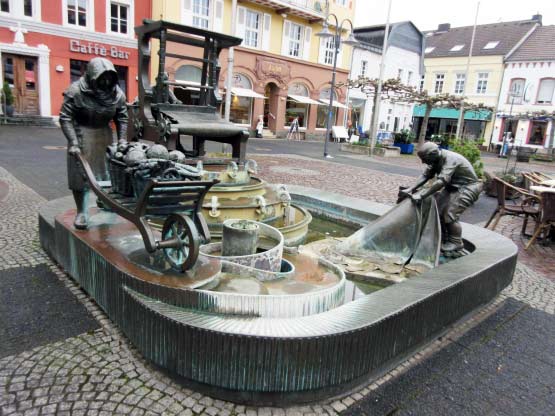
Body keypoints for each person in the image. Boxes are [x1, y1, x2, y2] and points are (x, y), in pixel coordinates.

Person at [59, 57, 128, 230]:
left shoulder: (117, 94)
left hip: (104, 135)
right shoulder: (75, 91)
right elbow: (65, 117)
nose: (105, 82)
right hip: (82, 134)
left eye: (109, 78)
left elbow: (122, 118)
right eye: (101, 78)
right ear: (91, 77)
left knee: (107, 173)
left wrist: (122, 139)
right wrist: (73, 141)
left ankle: (104, 201)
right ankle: (82, 211)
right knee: (80, 175)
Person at [399, 142, 483, 253]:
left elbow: (442, 181)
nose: (423, 162)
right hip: (452, 187)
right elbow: (426, 175)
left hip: (468, 186)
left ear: (432, 154)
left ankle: (456, 242)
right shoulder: (435, 159)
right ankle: (442, 237)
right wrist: (410, 189)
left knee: (450, 213)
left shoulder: (451, 159)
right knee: (436, 210)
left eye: (424, 159)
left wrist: (421, 195)